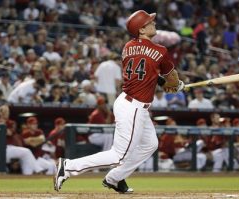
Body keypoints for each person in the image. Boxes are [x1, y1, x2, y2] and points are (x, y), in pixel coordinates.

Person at [54, 10, 184, 193]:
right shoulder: (160, 50)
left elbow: (147, 72)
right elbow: (170, 79)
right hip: (134, 106)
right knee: (118, 155)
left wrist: (164, 82)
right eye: (149, 22)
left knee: (150, 144)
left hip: (129, 102)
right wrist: (176, 85)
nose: (154, 23)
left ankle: (115, 178)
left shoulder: (127, 47)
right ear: (141, 29)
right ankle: (68, 167)